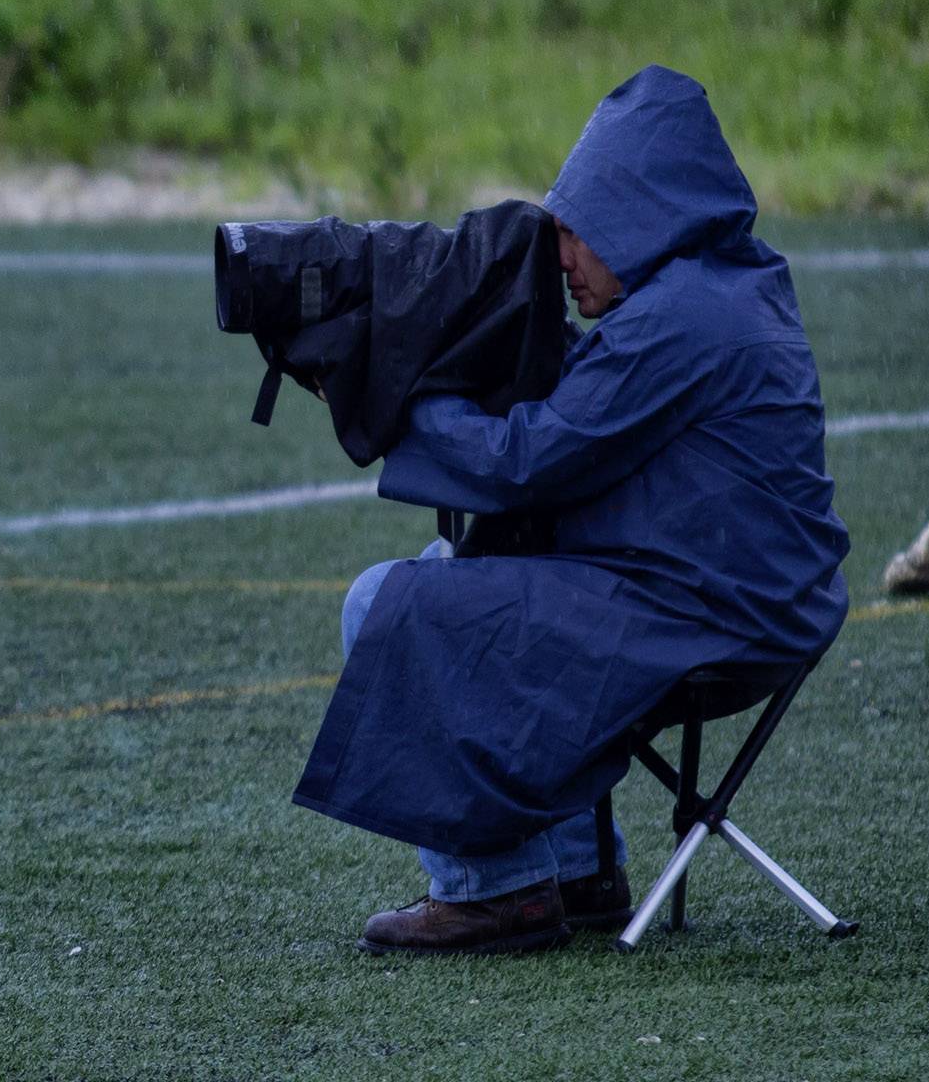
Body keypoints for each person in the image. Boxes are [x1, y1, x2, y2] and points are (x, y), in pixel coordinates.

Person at [290, 64, 850, 955]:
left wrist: (390, 398)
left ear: (643, 218)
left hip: (711, 614)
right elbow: (579, 418)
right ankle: (580, 870)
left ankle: (497, 892)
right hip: (753, 599)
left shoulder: (682, 320)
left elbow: (529, 460)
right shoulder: (726, 287)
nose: (562, 258)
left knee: (391, 601)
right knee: (488, 579)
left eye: (578, 233)